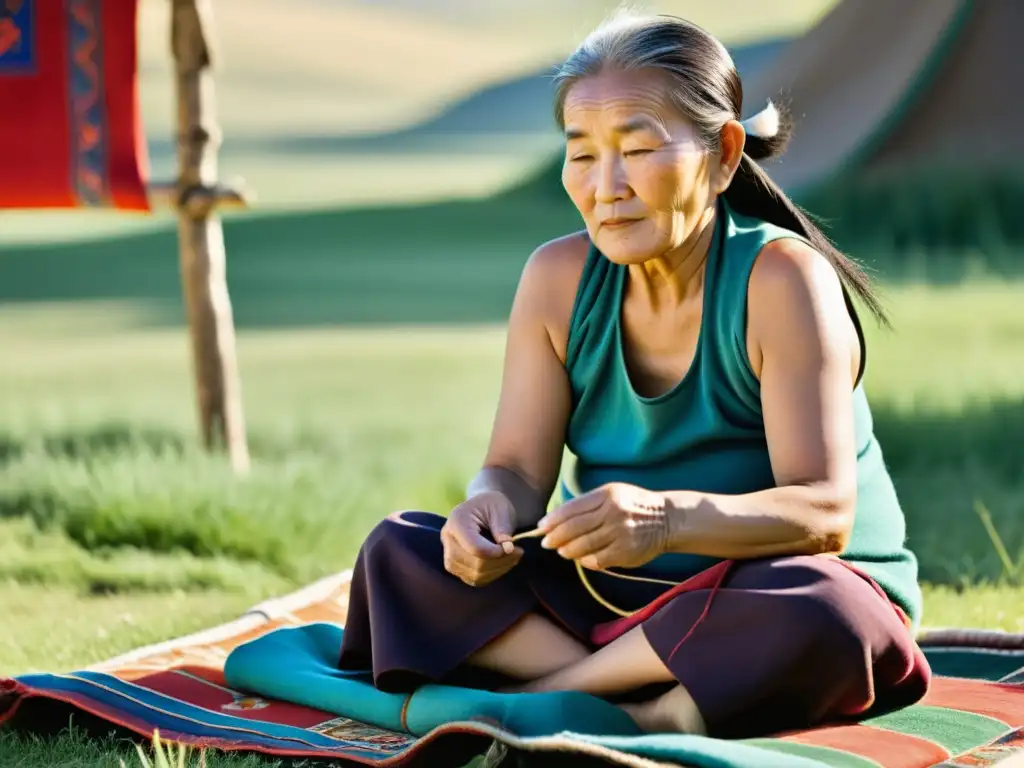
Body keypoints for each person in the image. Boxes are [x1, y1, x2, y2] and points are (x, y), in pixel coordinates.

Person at [338, 11, 931, 739]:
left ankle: (563, 694)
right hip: (605, 597)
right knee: (399, 554)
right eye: (581, 154)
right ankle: (655, 703)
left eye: (637, 149)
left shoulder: (781, 281)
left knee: (826, 614)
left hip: (772, 588)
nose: (605, 186)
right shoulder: (556, 279)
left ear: (722, 155)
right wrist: (484, 508)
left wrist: (666, 519)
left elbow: (824, 515)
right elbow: (516, 470)